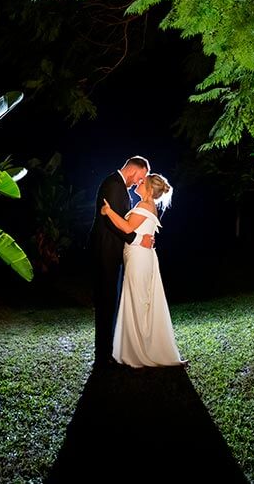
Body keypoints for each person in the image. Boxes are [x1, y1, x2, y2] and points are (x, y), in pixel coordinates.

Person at [101, 173, 186, 368]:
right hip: (141, 257)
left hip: (139, 258)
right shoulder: (149, 206)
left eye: (142, 182)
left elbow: (127, 228)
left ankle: (139, 353)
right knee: (141, 302)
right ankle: (142, 348)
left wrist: (108, 211)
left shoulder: (144, 206)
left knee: (138, 302)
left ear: (148, 189)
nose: (138, 183)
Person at [87, 156, 153, 367]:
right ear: (133, 170)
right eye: (140, 177)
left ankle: (107, 352)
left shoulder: (116, 185)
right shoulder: (114, 185)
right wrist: (136, 239)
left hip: (110, 252)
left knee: (109, 302)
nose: (139, 182)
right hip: (105, 251)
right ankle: (103, 356)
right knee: (106, 303)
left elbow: (120, 220)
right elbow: (113, 222)